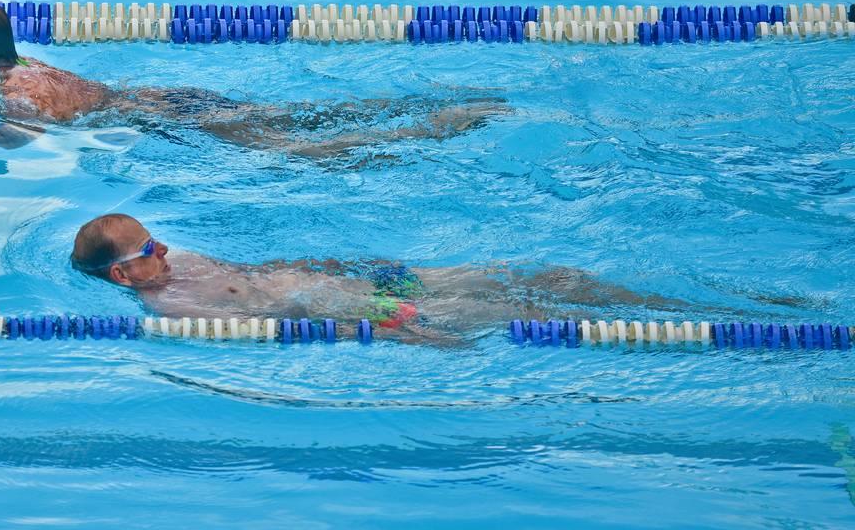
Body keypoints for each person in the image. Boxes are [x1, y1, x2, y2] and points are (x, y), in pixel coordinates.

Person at [0, 0, 507, 156]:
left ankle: (434, 129)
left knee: (310, 149)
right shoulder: (22, 64)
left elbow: (24, 138)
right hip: (171, 100)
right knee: (298, 123)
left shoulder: (14, 89)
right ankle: (439, 110)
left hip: (162, 118)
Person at [69, 213, 681, 346]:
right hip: (384, 312)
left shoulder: (182, 264)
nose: (167, 246)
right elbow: (299, 326)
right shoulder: (179, 313)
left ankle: (673, 301)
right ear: (124, 273)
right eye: (151, 246)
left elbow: (267, 273)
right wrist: (399, 334)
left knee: (552, 278)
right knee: (541, 317)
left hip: (381, 282)